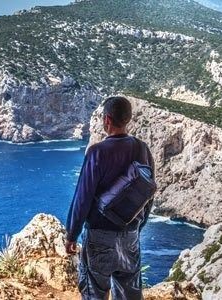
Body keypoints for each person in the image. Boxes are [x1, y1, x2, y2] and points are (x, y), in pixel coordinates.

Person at [66, 96, 155, 300]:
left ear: (106, 120)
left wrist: (72, 233)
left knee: (94, 292)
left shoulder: (97, 152)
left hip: (100, 235)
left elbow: (83, 197)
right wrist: (137, 226)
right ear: (128, 119)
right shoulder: (142, 149)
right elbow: (148, 194)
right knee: (129, 293)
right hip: (130, 234)